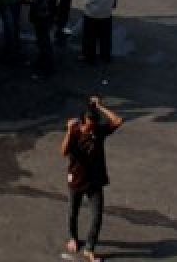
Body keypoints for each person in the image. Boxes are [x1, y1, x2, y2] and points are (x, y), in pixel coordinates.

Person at [62, 96, 124, 262]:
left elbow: (118, 120)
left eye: (94, 124)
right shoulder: (74, 132)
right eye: (89, 125)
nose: (91, 129)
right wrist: (68, 131)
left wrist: (100, 106)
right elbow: (63, 152)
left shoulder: (98, 131)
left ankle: (89, 248)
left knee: (97, 216)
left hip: (95, 181)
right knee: (72, 213)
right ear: (83, 122)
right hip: (76, 180)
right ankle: (73, 238)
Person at [30, 0, 59, 76]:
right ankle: (43, 62)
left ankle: (47, 66)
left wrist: (31, 3)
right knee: (45, 40)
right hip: (50, 14)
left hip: (42, 16)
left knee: (43, 41)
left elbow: (39, 0)